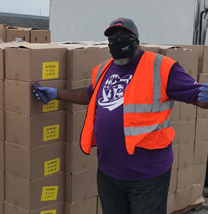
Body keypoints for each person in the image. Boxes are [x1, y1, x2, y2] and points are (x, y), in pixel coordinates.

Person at [34, 18, 208, 214]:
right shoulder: (104, 69)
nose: (117, 42)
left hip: (147, 177)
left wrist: (205, 98)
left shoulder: (161, 67)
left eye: (123, 37)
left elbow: (197, 97)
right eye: (112, 39)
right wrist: (57, 94)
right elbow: (92, 95)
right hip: (109, 173)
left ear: (135, 40)